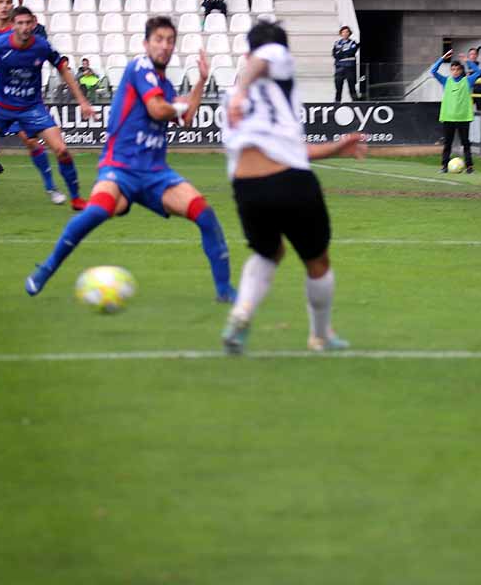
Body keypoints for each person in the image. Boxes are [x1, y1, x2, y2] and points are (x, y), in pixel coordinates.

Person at [26, 18, 237, 301]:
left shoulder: (165, 84)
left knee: (205, 215)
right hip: (120, 167)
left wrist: (200, 81)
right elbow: (157, 109)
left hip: (156, 173)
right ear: (146, 44)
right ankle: (48, 268)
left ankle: (225, 292)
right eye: (158, 39)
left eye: (169, 40)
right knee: (96, 212)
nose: (164, 46)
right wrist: (181, 103)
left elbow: (185, 119)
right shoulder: (139, 67)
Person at [220, 21, 368, 354]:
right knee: (317, 261)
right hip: (290, 182)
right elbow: (263, 60)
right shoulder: (277, 62)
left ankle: (242, 313)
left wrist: (334, 147)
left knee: (269, 252)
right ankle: (320, 336)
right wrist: (245, 86)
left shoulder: (227, 97)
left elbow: (272, 147)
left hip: (247, 189)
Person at [0, 6, 92, 212]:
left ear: (34, 23)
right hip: (0, 106)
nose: (24, 27)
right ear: (13, 25)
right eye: (20, 23)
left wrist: (82, 101)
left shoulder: (41, 46)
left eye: (27, 23)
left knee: (62, 150)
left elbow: (63, 69)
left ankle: (75, 198)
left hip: (32, 107)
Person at [0, 0, 67, 202]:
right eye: (0, 2)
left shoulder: (23, 35)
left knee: (30, 140)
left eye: (7, 2)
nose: (3, 6)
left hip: (17, 98)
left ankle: (51, 187)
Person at [431, 49, 480, 174]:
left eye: (457, 69)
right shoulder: (446, 81)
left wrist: (468, 61)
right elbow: (433, 71)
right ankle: (444, 166)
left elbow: (479, 71)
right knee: (448, 143)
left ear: (461, 70)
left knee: (466, 143)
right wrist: (443, 58)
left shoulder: (467, 81)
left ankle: (469, 167)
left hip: (463, 117)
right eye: (452, 69)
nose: (455, 72)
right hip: (449, 117)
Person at [331, 25, 358, 102]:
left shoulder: (353, 42)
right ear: (341, 33)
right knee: (338, 88)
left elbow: (351, 52)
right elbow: (335, 54)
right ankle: (336, 103)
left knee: (352, 87)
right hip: (339, 68)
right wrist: (343, 52)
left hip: (350, 68)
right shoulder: (337, 43)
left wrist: (341, 52)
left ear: (349, 33)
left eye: (347, 32)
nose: (345, 33)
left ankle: (355, 103)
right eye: (343, 32)